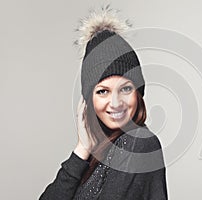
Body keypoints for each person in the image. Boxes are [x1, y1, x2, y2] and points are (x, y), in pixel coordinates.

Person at [39, 7, 168, 200]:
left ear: (138, 93)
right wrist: (82, 149)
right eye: (102, 91)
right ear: (88, 101)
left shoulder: (139, 142)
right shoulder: (99, 151)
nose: (115, 103)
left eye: (125, 89)